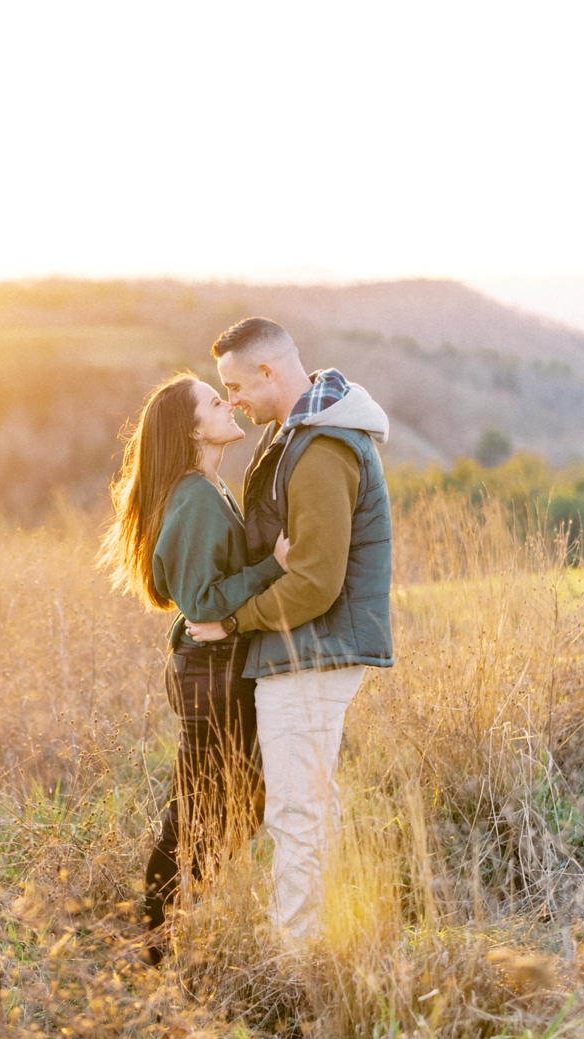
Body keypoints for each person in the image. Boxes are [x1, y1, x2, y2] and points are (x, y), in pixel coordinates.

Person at [186, 317, 393, 944]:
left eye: (235, 385)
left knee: (295, 814)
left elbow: (316, 582)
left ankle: (294, 964)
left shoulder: (322, 448)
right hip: (303, 650)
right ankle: (322, 942)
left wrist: (231, 620)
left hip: (314, 652)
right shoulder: (295, 436)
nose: (234, 401)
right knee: (310, 806)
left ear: (268, 372)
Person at [98, 373, 289, 965]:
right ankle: (157, 937)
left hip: (218, 665)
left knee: (231, 799)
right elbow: (203, 602)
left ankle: (172, 922)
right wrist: (272, 567)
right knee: (206, 803)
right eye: (214, 400)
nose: (228, 403)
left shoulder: (206, 488)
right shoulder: (195, 496)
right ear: (192, 429)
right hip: (212, 668)